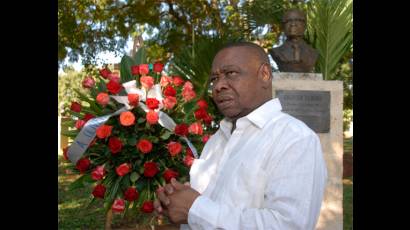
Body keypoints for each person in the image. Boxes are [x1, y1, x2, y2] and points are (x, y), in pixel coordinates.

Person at [154, 41, 327, 230]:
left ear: (265, 74)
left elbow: (287, 225)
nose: (218, 86)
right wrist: (176, 201)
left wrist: (193, 209)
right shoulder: (217, 139)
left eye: (231, 73)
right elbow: (212, 203)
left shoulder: (295, 139)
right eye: (214, 79)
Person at [269, 9, 318, 73]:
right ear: (283, 27)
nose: (293, 24)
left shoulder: (313, 53)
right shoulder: (276, 52)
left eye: (298, 20)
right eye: (288, 21)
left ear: (305, 25)